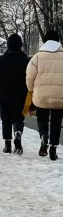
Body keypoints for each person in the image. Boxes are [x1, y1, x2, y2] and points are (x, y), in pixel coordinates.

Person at [0, 34, 29, 155]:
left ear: (8, 45)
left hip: (4, 93)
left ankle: (8, 145)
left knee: (6, 118)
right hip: (21, 92)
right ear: (20, 45)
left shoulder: (0, 60)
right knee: (18, 117)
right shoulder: (26, 60)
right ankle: (18, 132)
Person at [27, 29, 63, 160]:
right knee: (56, 121)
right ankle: (53, 149)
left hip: (41, 96)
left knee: (42, 118)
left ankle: (43, 137)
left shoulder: (37, 57)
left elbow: (30, 76)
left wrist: (31, 90)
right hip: (60, 97)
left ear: (45, 41)